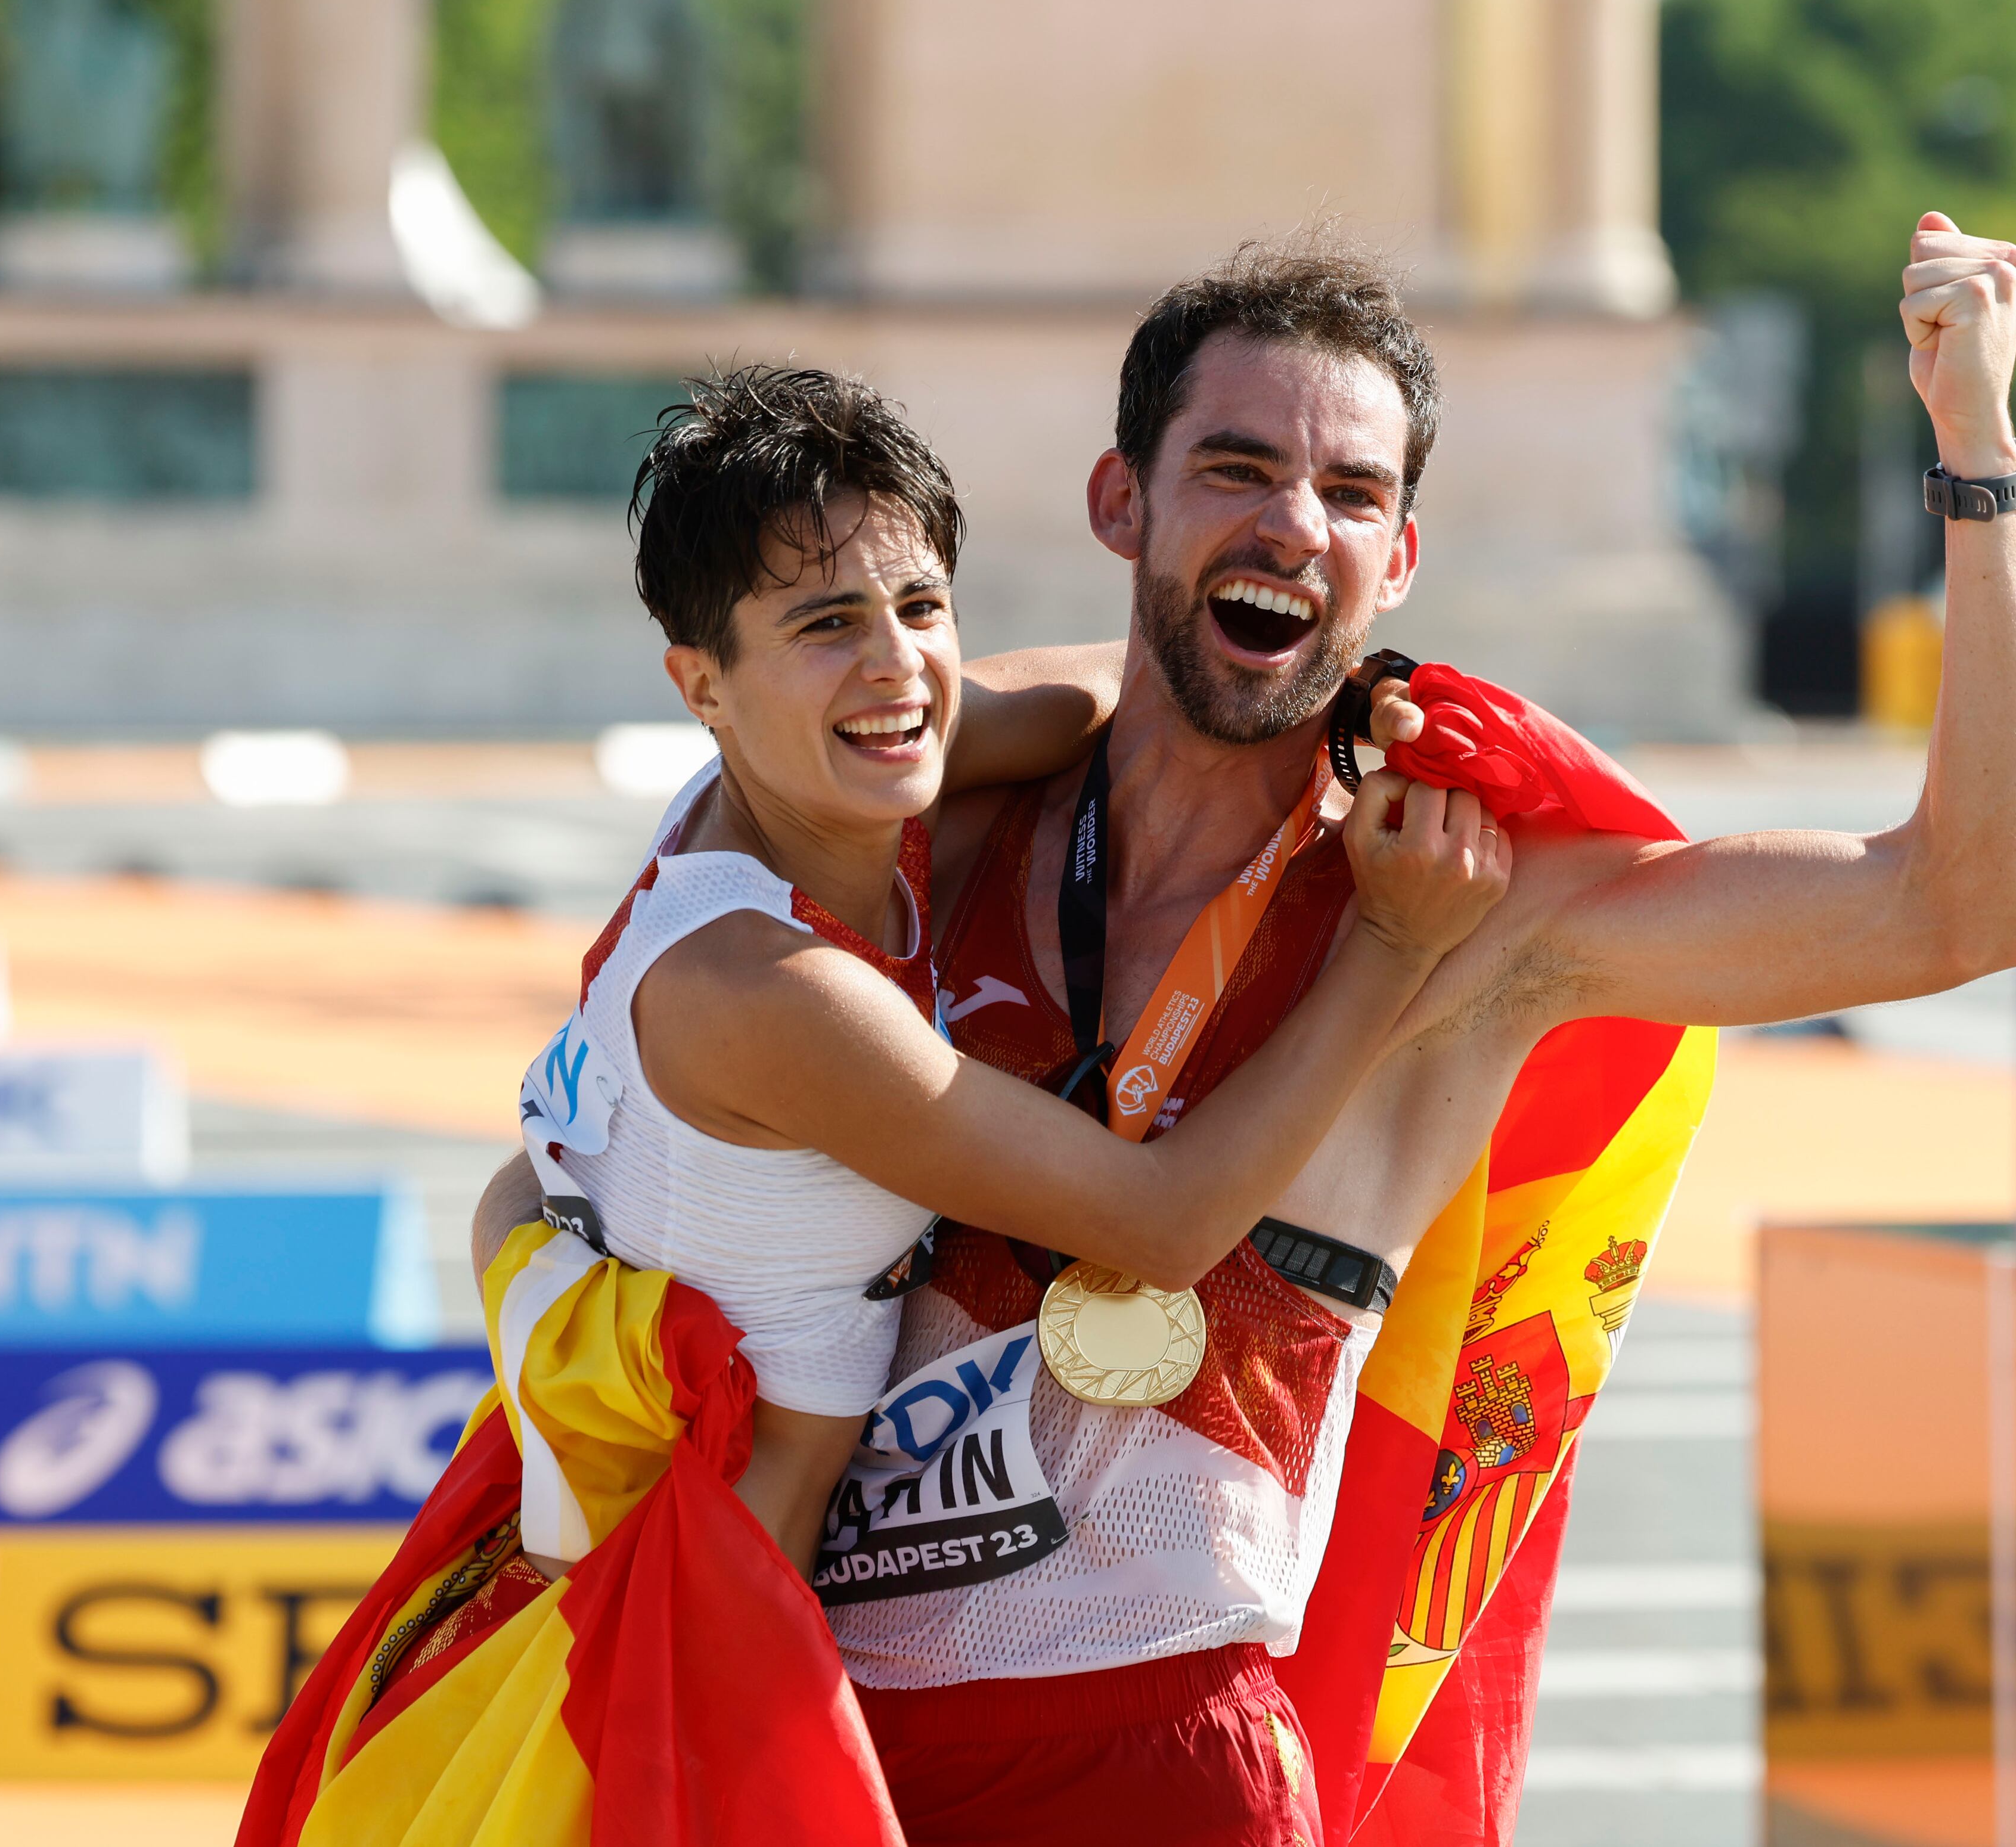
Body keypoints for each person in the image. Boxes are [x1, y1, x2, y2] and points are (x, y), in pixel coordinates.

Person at [474, 212, 2016, 1845]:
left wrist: (1978, 459)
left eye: (1353, 494)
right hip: (805, 1734)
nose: (1294, 523)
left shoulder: (1470, 906)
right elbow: (614, 1068)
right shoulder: (932, 818)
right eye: (1234, 469)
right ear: (1120, 503)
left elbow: (1965, 903)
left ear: (1401, 559)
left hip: (1158, 1767)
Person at [242, 365, 1511, 1847]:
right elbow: (1163, 1221)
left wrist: (1301, 655)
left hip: (649, 1592)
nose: (895, 668)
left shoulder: (802, 793)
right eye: (823, 624)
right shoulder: (777, 992)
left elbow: (1099, 700)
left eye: (920, 604)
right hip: (665, 1706)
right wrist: (1390, 949)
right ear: (699, 682)